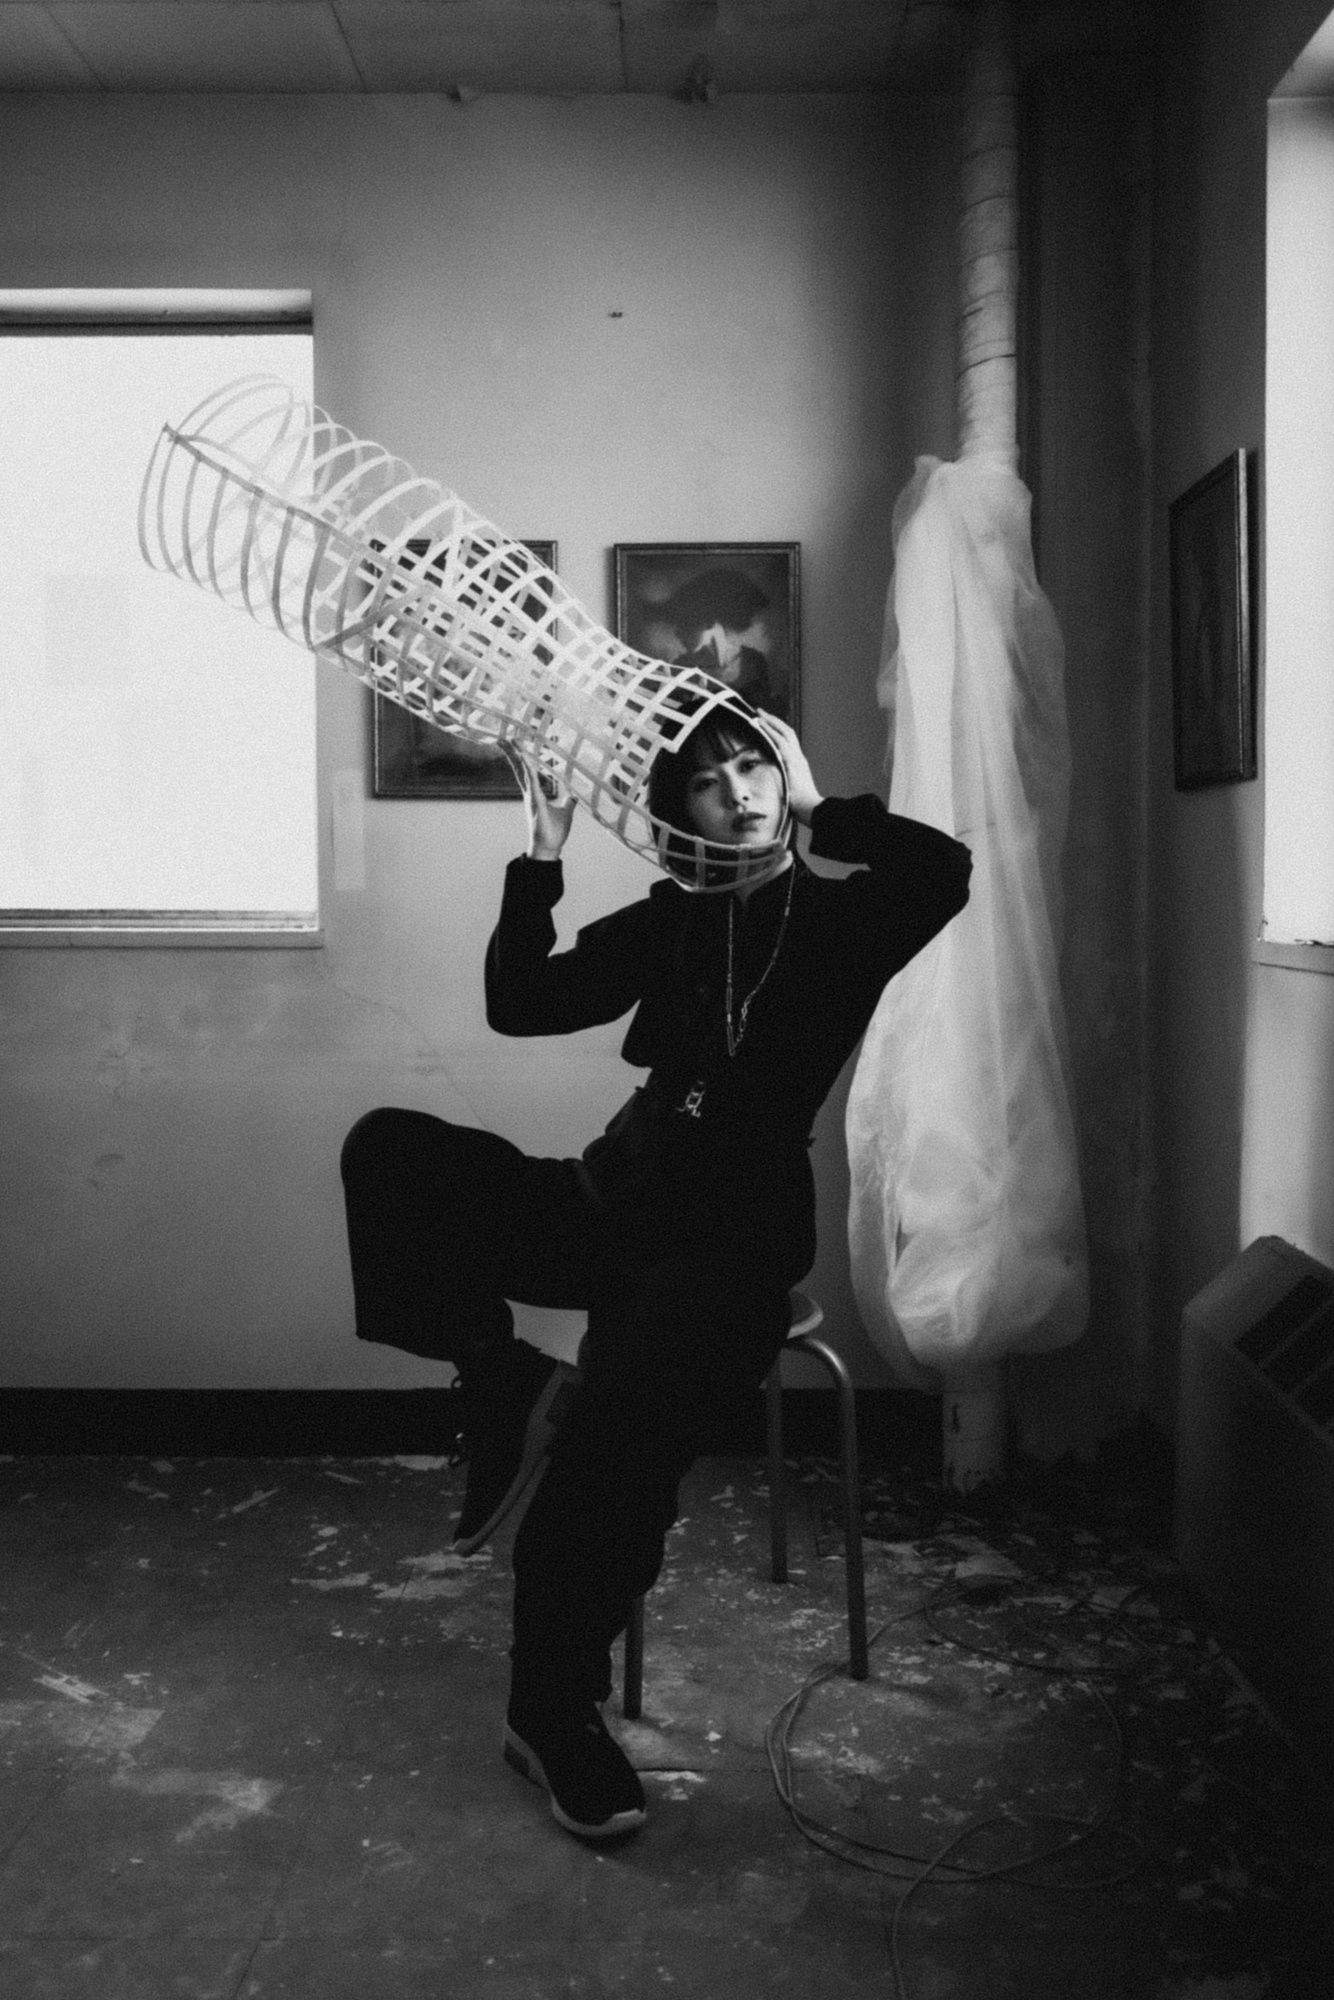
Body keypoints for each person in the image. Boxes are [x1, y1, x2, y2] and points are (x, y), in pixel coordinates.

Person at [340, 710, 971, 1845]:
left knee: (608, 1460)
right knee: (389, 1151)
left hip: (722, 1258)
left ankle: (548, 1713)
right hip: (606, 1202)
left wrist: (822, 808)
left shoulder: (844, 920)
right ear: (679, 814)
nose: (739, 792)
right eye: (709, 782)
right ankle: (503, 1382)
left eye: (752, 766)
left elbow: (944, 870)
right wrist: (540, 857)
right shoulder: (672, 919)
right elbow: (518, 1002)